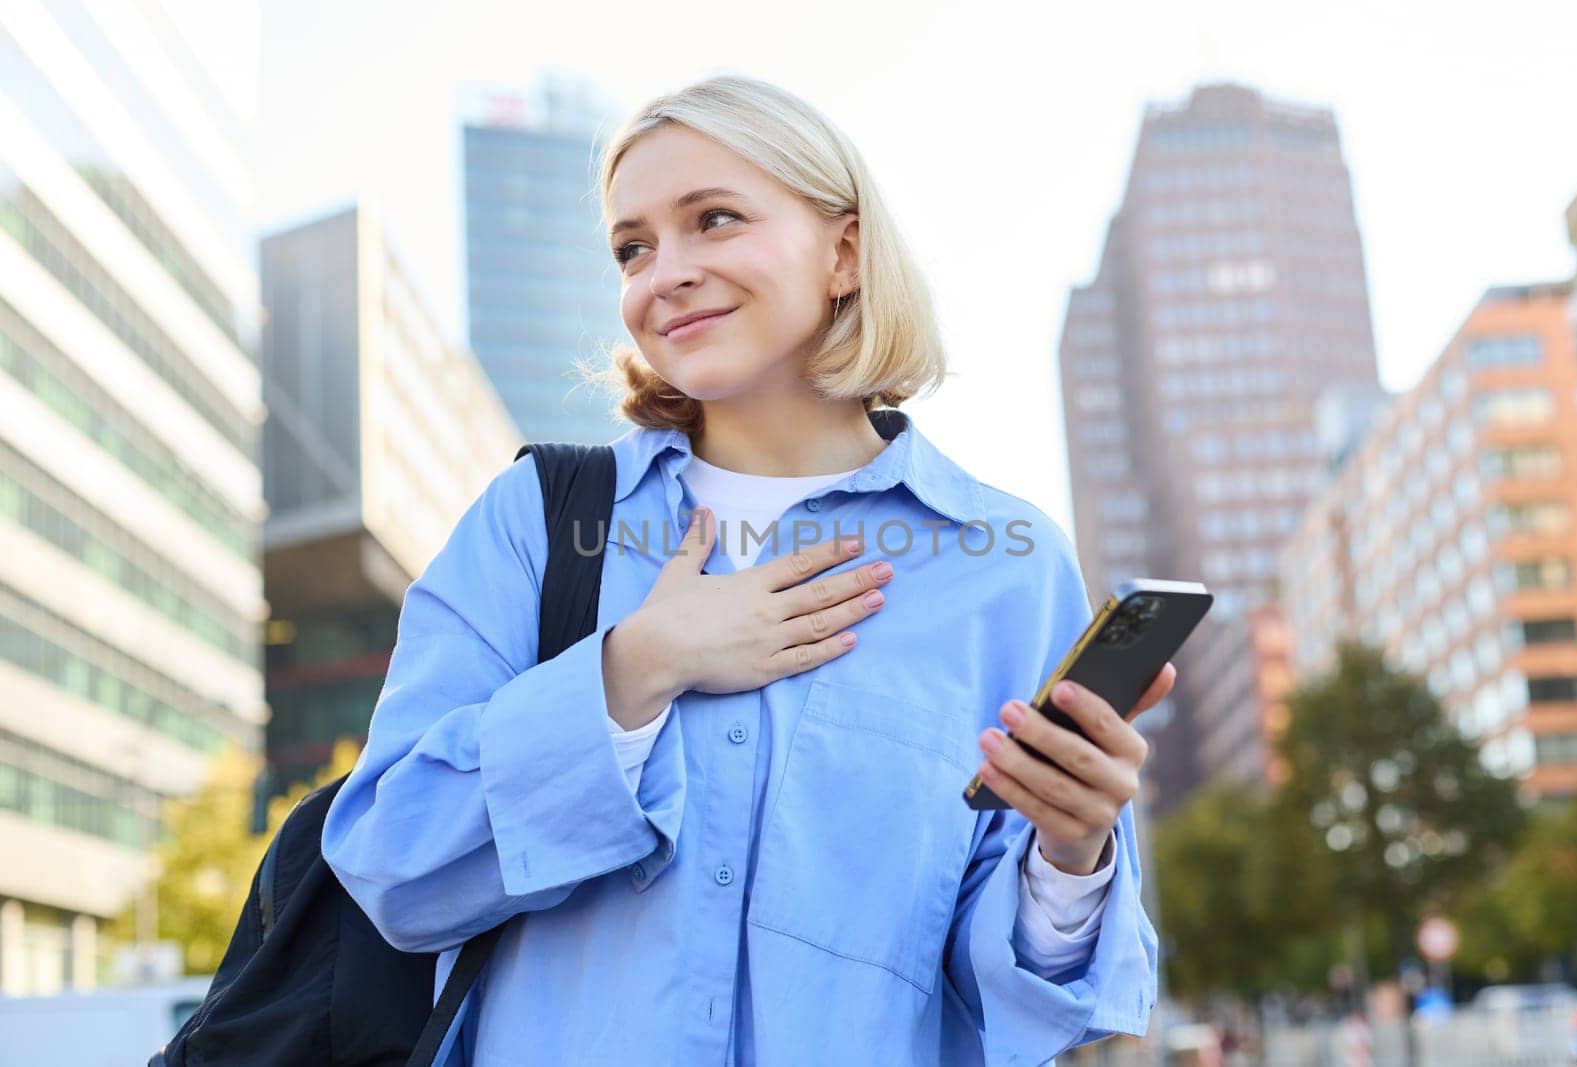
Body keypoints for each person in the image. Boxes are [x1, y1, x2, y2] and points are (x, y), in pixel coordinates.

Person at [322, 72, 1172, 1066]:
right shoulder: (534, 525)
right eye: (632, 247)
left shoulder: (1007, 566)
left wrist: (1071, 858)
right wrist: (632, 669)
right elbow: (391, 860)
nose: (662, 273)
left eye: (713, 220)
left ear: (844, 250)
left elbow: (1022, 1009)